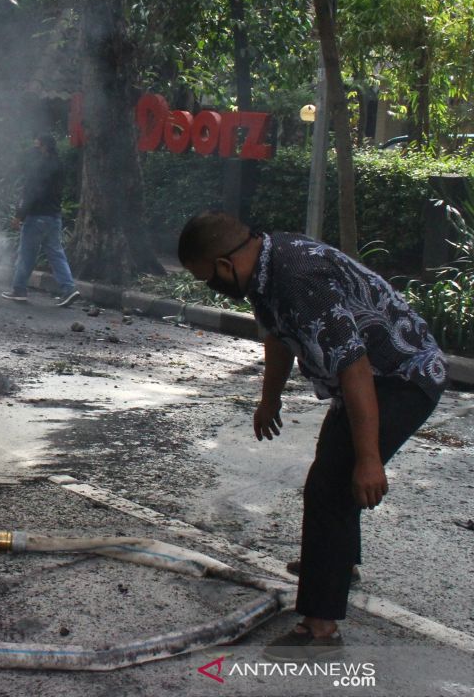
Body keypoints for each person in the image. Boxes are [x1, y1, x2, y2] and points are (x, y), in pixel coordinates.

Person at [178, 211, 448, 662]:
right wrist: (270, 400)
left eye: (206, 277)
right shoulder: (264, 268)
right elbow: (279, 338)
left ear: (225, 265)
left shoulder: (298, 278)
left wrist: (369, 460)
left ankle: (320, 629)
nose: (210, 285)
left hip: (403, 377)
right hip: (374, 378)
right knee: (333, 467)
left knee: (329, 487)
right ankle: (337, 564)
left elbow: (355, 367)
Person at [1, 134, 79, 306]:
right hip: (54, 217)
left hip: (36, 217)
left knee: (26, 254)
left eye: (37, 146)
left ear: (43, 147)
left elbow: (31, 193)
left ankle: (19, 289)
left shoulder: (39, 168)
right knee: (56, 253)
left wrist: (19, 216)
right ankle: (69, 289)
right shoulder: (58, 165)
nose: (34, 149)